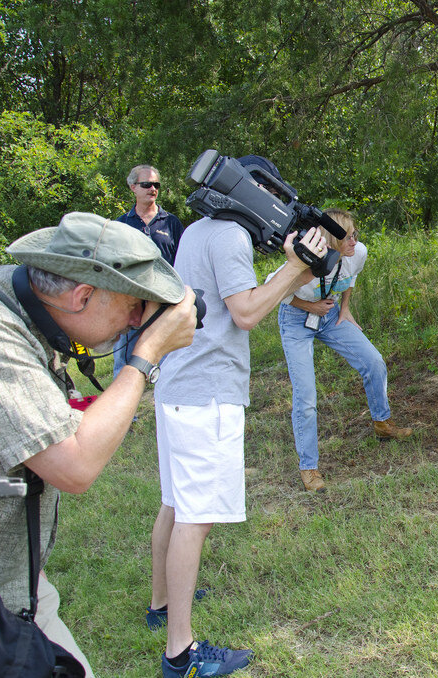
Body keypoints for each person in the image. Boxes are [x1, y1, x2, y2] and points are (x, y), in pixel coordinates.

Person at [0, 213, 198, 677]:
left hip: (12, 585)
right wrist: (146, 355)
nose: (137, 321)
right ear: (82, 297)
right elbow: (73, 465)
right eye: (135, 306)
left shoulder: (25, 310)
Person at [147, 155, 328, 677]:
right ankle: (180, 654)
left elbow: (238, 298)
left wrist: (286, 267)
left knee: (174, 502)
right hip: (207, 394)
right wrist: (298, 267)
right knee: (195, 518)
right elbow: (246, 313)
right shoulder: (230, 236)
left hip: (179, 384)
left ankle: (161, 606)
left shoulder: (201, 231)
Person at [274, 208, 412, 492]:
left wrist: (345, 307)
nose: (354, 242)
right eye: (348, 237)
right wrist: (309, 306)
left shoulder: (357, 252)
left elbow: (351, 278)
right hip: (296, 318)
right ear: (330, 240)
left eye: (355, 235)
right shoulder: (304, 260)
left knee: (374, 362)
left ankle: (382, 423)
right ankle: (309, 467)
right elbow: (273, 290)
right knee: (306, 396)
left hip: (331, 315)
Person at [112, 164, 185, 379]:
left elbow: (182, 261)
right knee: (125, 365)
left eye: (156, 185)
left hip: (166, 303)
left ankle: (168, 405)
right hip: (132, 306)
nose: (152, 189)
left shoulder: (171, 222)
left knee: (171, 364)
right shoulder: (121, 225)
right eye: (146, 184)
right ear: (133, 187)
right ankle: (126, 413)